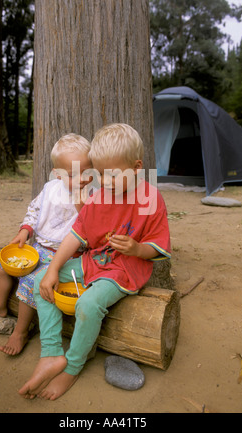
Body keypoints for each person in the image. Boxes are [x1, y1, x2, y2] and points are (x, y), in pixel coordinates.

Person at [19, 123, 171, 401]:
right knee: (42, 281)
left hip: (125, 270)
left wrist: (137, 248)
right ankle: (52, 354)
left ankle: (73, 365)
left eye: (113, 175)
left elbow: (158, 248)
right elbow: (76, 236)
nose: (107, 181)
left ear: (137, 167)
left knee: (88, 304)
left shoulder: (150, 198)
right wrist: (53, 269)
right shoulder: (100, 195)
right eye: (100, 174)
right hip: (93, 261)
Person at [0, 133, 93, 356]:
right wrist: (25, 230)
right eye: (73, 174)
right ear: (57, 174)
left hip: (66, 257)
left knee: (29, 282)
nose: (83, 178)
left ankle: (21, 331)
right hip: (39, 247)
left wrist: (81, 203)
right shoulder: (50, 188)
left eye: (87, 171)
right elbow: (34, 210)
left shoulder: (93, 196)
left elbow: (90, 229)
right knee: (1, 265)